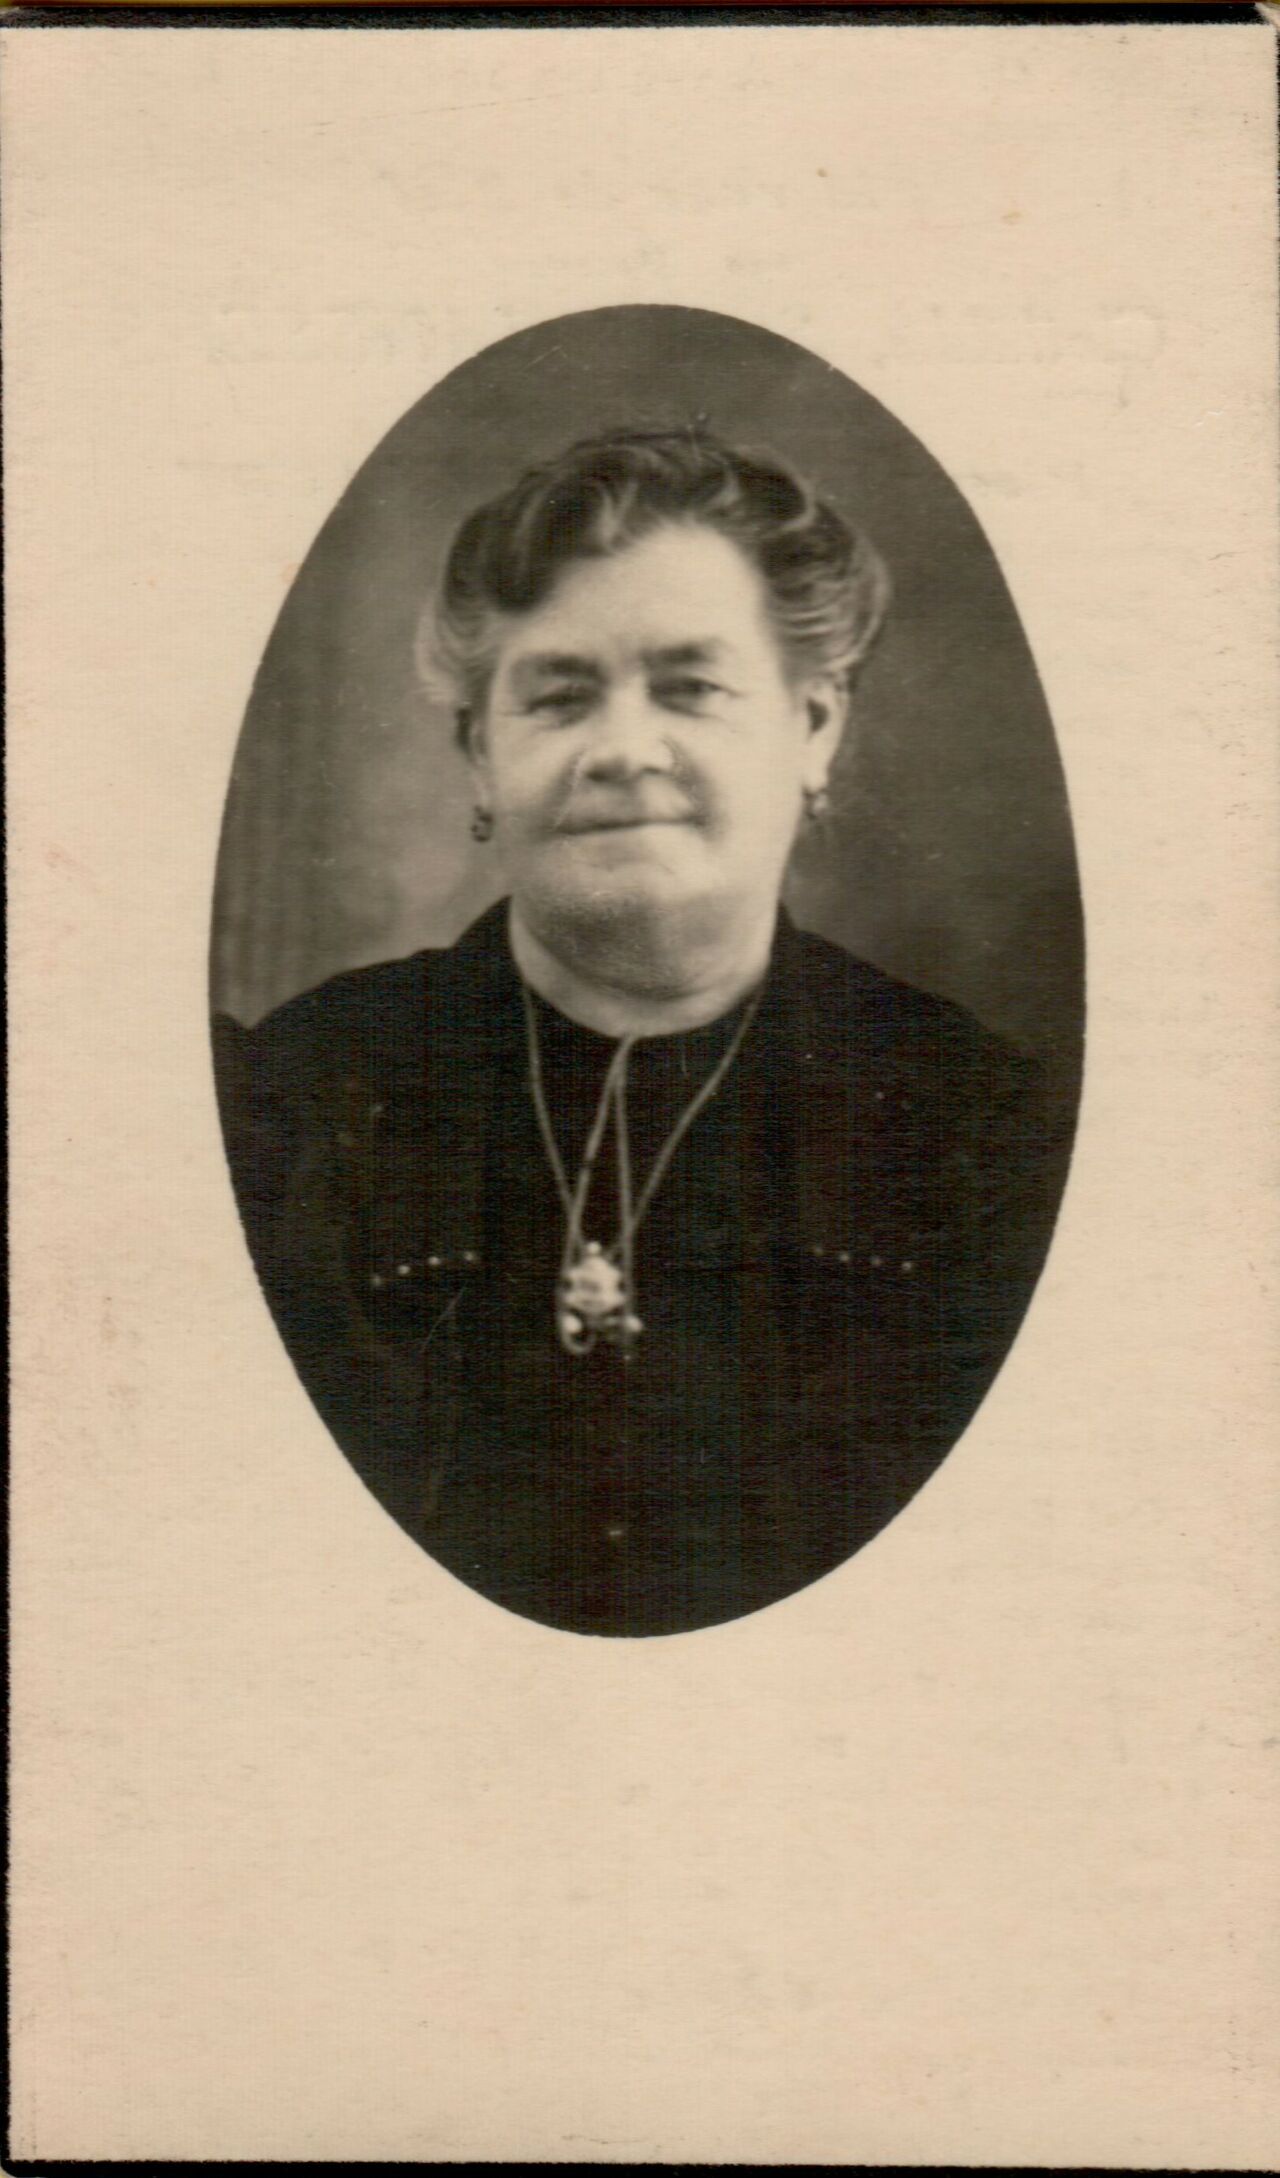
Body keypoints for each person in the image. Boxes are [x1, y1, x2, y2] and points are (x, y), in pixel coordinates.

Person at [213, 425, 1073, 1638]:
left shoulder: (977, 1128)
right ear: (477, 753)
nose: (623, 750)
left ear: (812, 726)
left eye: (691, 687)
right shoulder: (288, 1103)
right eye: (558, 696)